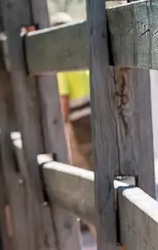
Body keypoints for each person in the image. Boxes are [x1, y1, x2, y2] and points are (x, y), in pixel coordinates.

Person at [51, 12, 97, 240]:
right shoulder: (84, 55)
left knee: (88, 179)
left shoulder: (63, 64)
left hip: (80, 126)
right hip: (97, 118)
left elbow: (63, 102)